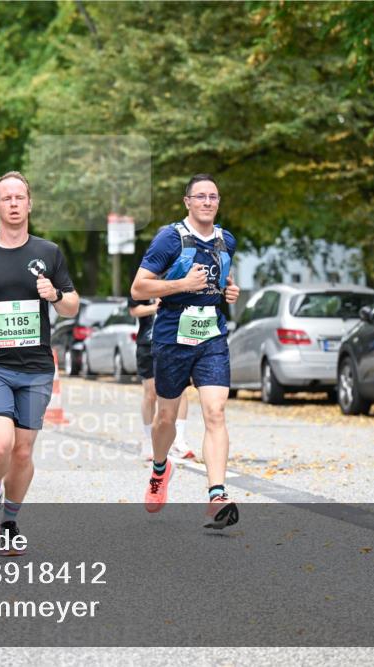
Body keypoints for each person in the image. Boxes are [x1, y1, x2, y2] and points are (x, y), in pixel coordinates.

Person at [0, 171, 79, 552]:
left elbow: (71, 306)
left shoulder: (48, 252)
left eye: (19, 197)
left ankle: (9, 520)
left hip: (36, 366)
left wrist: (54, 293)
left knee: (22, 451)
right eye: (5, 198)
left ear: (29, 203)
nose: (13, 203)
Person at [130, 174, 241, 529]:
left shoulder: (227, 240)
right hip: (171, 334)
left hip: (211, 334)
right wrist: (181, 284)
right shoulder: (169, 238)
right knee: (166, 419)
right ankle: (161, 468)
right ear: (187, 202)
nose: (208, 202)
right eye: (201, 197)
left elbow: (222, 279)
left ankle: (217, 494)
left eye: (214, 197)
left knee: (216, 412)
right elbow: (138, 287)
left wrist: (229, 291)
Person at [128, 296, 195, 461]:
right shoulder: (144, 276)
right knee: (151, 393)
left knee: (180, 390)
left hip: (176, 341)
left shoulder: (177, 274)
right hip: (148, 342)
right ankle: (148, 439)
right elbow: (134, 310)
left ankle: (179, 440)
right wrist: (156, 307)